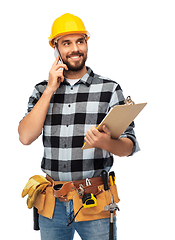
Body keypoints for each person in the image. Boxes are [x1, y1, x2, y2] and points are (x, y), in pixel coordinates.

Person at [18, 13, 140, 240]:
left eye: (80, 41)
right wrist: (50, 90)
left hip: (95, 203)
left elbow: (129, 147)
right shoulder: (41, 90)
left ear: (86, 43)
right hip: (52, 205)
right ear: (56, 48)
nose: (75, 49)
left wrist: (105, 142)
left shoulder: (109, 89)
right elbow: (25, 136)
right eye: (66, 43)